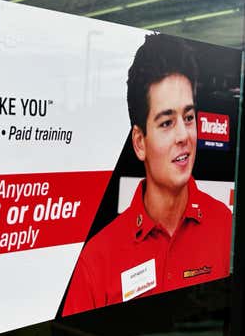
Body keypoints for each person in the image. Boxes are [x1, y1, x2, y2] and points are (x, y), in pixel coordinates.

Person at [62, 34, 232, 316]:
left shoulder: (226, 228)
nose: (183, 136)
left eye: (188, 118)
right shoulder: (97, 260)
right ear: (140, 142)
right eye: (166, 122)